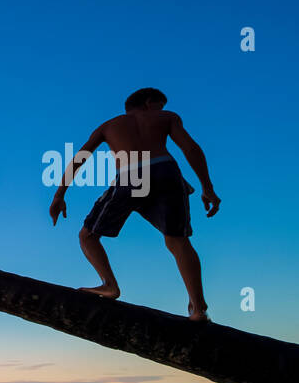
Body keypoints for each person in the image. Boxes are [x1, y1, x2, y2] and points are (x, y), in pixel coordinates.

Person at [49, 87, 222, 321]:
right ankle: (199, 309)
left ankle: (109, 285)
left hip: (131, 174)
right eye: (159, 104)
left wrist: (60, 195)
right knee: (178, 241)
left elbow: (80, 157)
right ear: (149, 102)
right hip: (166, 171)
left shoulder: (108, 125)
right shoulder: (167, 117)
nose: (161, 109)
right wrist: (207, 187)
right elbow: (190, 148)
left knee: (88, 236)